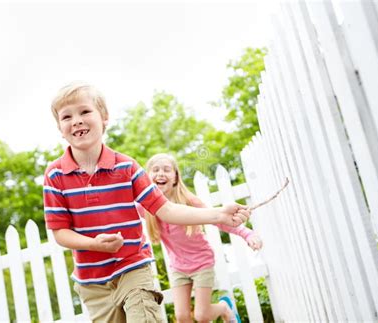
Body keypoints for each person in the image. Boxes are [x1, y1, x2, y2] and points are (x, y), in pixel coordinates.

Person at [42, 81, 252, 322]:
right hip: (93, 283)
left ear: (104, 117)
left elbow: (166, 208)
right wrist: (95, 244)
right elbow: (60, 233)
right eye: (66, 116)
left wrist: (217, 214)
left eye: (85, 111)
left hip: (133, 267)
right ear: (60, 127)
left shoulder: (127, 167)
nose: (76, 120)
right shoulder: (55, 175)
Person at [142, 153, 263, 323]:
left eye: (166, 170)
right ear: (147, 178)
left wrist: (247, 234)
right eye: (155, 170)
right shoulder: (146, 208)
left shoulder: (189, 201)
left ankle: (223, 307)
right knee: (182, 317)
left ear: (175, 177)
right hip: (178, 266)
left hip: (201, 262)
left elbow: (220, 219)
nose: (161, 173)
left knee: (202, 316)